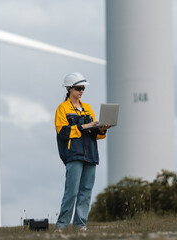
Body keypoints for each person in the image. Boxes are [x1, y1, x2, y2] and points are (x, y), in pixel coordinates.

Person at [54, 72, 110, 231]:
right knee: (71, 192)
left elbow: (95, 135)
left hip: (91, 154)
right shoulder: (62, 108)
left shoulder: (87, 108)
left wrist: (102, 129)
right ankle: (62, 226)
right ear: (70, 89)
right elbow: (62, 132)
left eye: (83, 88)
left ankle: (80, 226)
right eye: (79, 88)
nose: (81, 91)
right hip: (74, 154)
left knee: (86, 192)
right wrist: (84, 126)